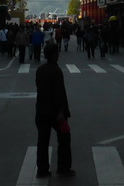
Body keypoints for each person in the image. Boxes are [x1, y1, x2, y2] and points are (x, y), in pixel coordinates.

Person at [35, 42, 73, 178]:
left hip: (41, 111)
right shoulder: (56, 71)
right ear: (54, 55)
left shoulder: (40, 70)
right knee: (64, 138)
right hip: (55, 112)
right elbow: (59, 93)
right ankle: (63, 167)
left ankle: (42, 169)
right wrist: (61, 112)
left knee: (42, 141)